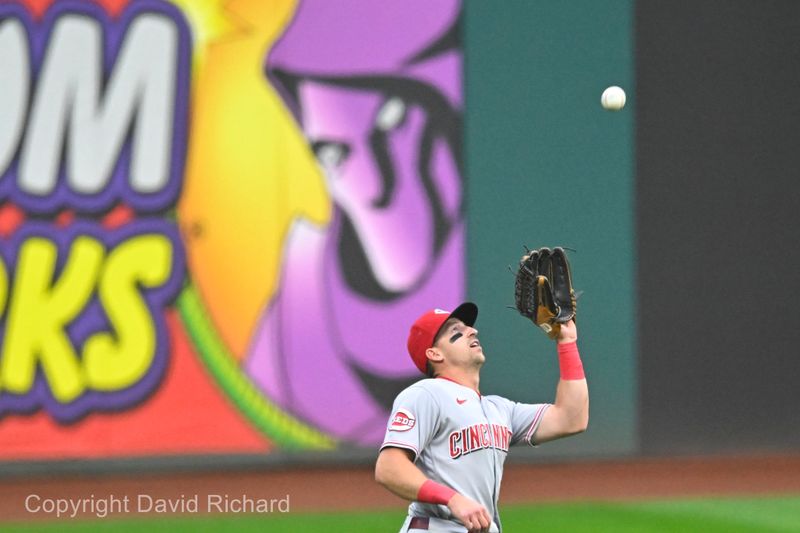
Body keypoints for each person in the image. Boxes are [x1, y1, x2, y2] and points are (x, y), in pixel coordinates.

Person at [374, 302, 589, 533]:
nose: (472, 330)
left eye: (468, 327)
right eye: (456, 332)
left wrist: (567, 343)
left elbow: (571, 418)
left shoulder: (498, 408)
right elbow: (388, 468)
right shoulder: (426, 394)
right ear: (434, 353)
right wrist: (452, 499)